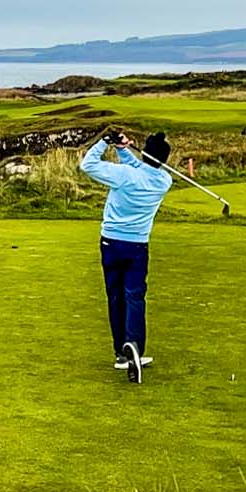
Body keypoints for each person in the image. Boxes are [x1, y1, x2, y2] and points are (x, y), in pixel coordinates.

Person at [78, 127, 173, 384]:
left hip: (110, 243)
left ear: (144, 154)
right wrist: (123, 149)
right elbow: (142, 170)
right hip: (138, 246)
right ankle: (134, 348)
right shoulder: (164, 181)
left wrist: (104, 143)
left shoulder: (123, 176)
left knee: (116, 296)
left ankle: (121, 352)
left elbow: (88, 165)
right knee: (135, 297)